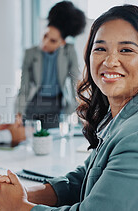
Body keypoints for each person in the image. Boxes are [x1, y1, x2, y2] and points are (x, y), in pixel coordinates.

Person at [0, 4, 138, 211]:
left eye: (126, 50)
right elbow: (86, 178)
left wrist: (21, 207)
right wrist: (25, 194)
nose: (109, 61)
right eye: (100, 49)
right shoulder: (124, 117)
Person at [15, 1, 86, 129]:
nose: (45, 43)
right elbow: (24, 86)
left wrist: (81, 111)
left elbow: (75, 82)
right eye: (45, 36)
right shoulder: (30, 54)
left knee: (52, 141)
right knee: (30, 139)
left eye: (53, 40)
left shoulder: (69, 52)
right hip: (34, 103)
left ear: (62, 42)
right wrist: (19, 113)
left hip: (55, 106)